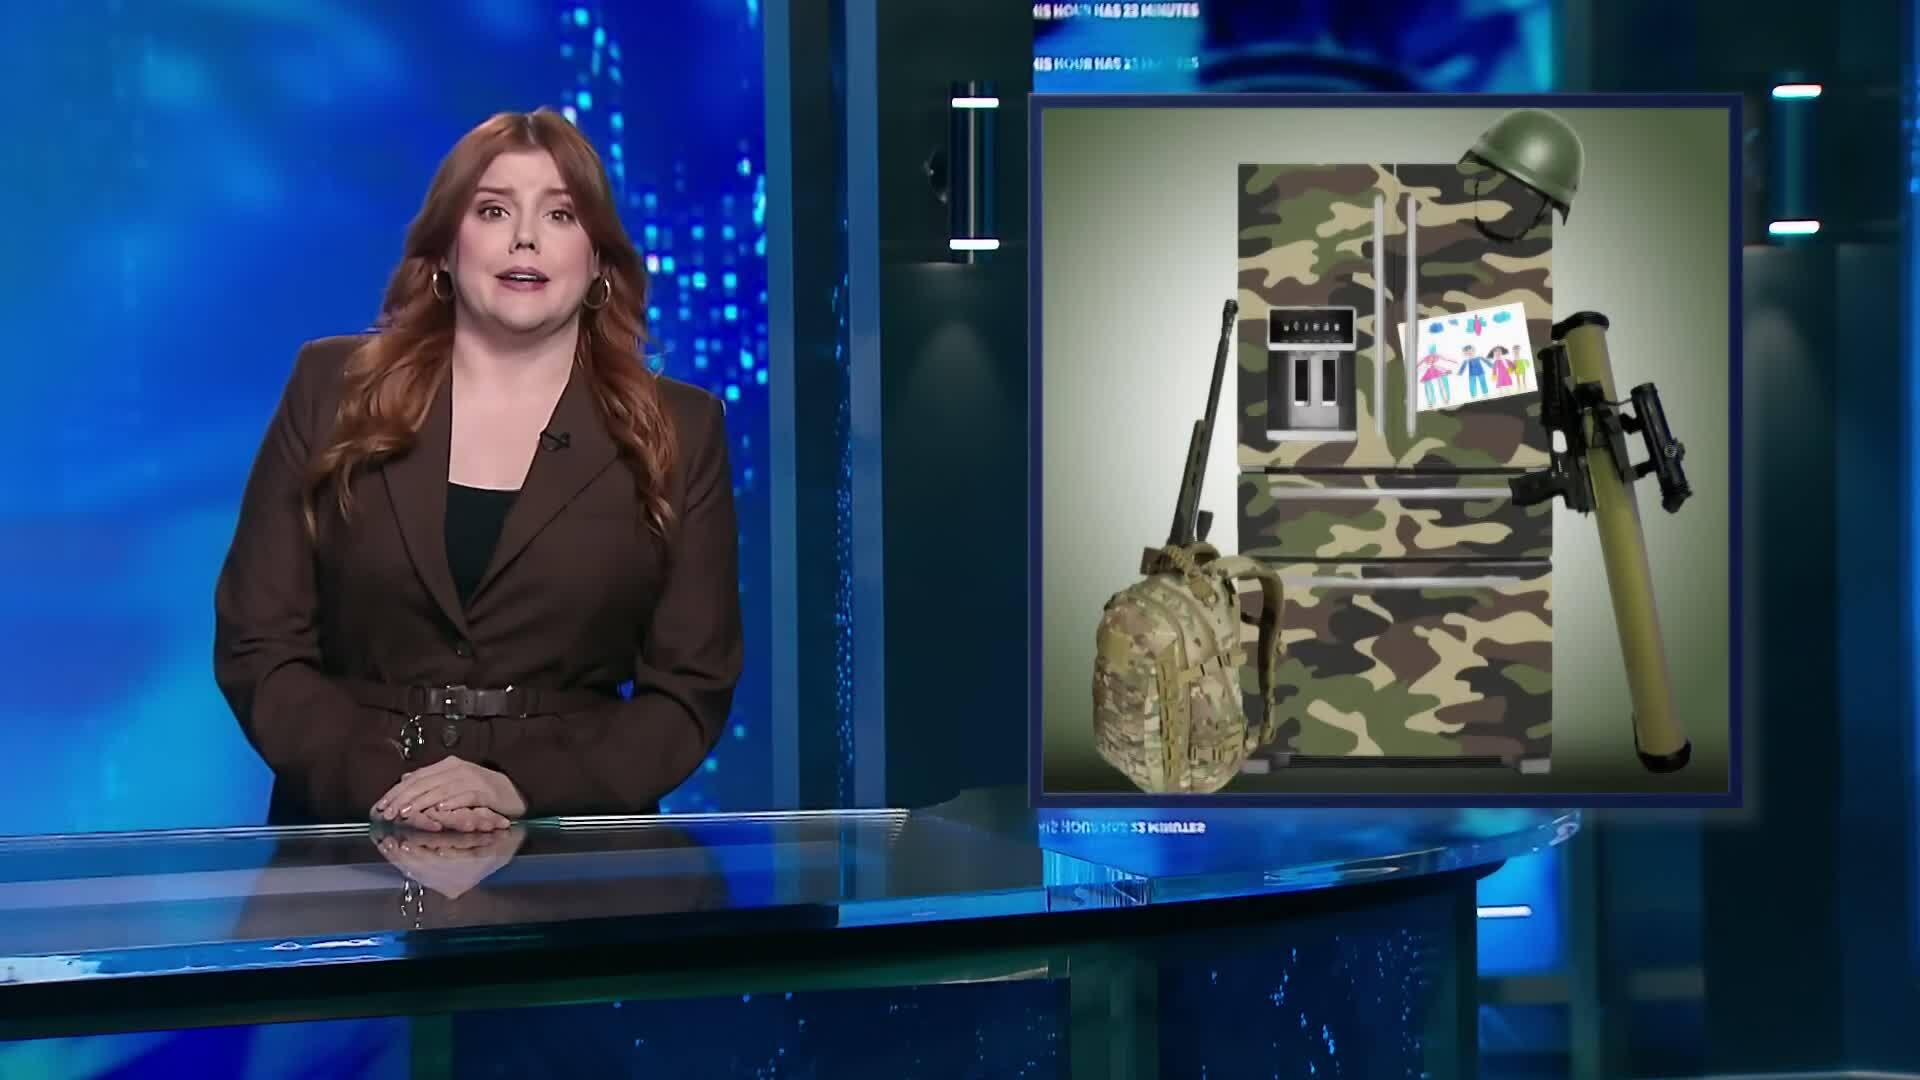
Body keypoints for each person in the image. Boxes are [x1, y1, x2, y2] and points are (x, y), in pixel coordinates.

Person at [214, 108, 743, 832]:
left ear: (598, 260)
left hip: (567, 846)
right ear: (445, 248)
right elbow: (258, 642)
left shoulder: (680, 428)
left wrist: (516, 787)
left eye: (560, 214)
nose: (525, 237)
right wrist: (390, 788)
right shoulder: (333, 388)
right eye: (494, 210)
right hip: (351, 831)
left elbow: (690, 689)